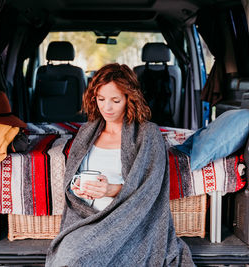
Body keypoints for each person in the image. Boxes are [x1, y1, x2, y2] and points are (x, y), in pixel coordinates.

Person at [45, 63, 194, 266]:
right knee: (69, 257)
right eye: (101, 99)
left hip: (130, 221)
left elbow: (150, 190)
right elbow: (72, 179)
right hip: (87, 219)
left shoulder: (148, 133)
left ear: (128, 99)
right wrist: (79, 188)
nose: (107, 107)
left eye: (115, 100)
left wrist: (109, 190)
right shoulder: (87, 132)